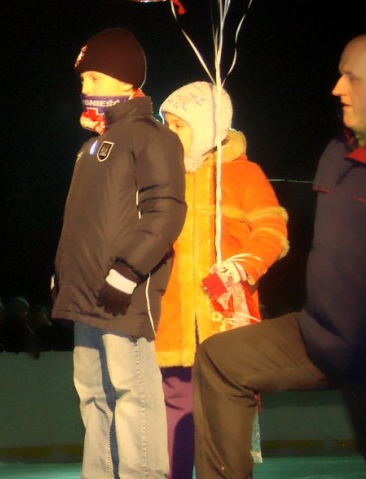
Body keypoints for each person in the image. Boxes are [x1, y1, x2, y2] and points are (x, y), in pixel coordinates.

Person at [193, 35, 366, 477]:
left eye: (351, 78)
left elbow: (271, 229)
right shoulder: (338, 152)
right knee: (220, 358)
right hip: (321, 334)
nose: (337, 89)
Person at [51, 27, 187, 478]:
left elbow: (166, 210)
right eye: (83, 79)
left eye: (94, 77)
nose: (85, 86)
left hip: (123, 293)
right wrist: (62, 274)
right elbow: (84, 223)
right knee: (93, 395)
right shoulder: (91, 145)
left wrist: (128, 271)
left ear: (124, 79)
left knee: (132, 394)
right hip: (86, 291)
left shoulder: (151, 137)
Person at [155, 81, 289, 478]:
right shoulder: (162, 178)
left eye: (178, 125)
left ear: (205, 126)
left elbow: (272, 231)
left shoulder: (245, 174)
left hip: (226, 320)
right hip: (173, 324)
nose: (169, 133)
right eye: (166, 124)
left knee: (225, 421)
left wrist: (244, 264)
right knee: (174, 413)